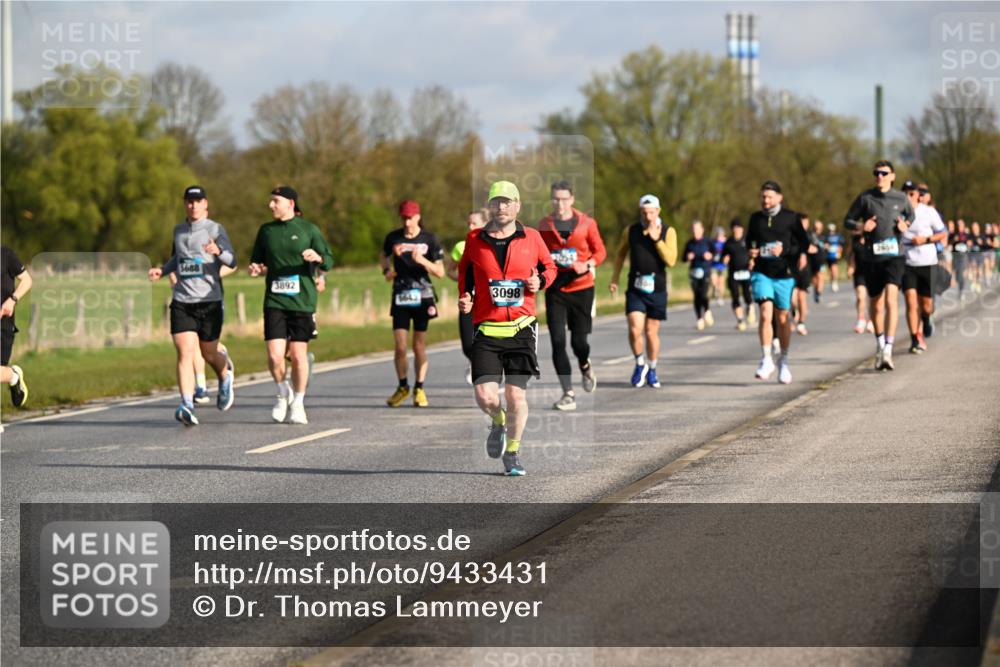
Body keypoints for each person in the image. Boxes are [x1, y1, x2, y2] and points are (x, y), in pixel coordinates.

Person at [457, 181, 556, 476]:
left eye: (507, 202)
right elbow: (465, 272)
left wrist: (541, 281)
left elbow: (549, 267)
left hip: (522, 327)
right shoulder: (475, 239)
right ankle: (498, 421)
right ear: (490, 206)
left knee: (516, 396)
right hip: (487, 327)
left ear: (517, 206)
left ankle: (512, 453)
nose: (501, 207)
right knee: (485, 396)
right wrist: (466, 297)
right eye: (496, 202)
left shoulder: (533, 238)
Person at [148, 185, 237, 426]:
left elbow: (233, 259)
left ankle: (224, 374)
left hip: (209, 302)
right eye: (189, 201)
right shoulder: (178, 231)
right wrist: (163, 270)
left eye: (198, 201)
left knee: (208, 352)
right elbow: (178, 258)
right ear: (185, 204)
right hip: (183, 301)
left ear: (206, 204)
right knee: (185, 353)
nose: (193, 205)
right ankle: (186, 404)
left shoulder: (216, 229)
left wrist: (217, 250)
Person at [248, 186, 334, 425]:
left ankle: (298, 401)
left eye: (275, 201)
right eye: (271, 201)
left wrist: (318, 258)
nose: (271, 205)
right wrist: (256, 268)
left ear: (290, 204)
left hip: (302, 301)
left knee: (297, 355)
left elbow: (329, 259)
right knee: (275, 356)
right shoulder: (266, 231)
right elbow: (258, 261)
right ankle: (282, 392)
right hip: (275, 300)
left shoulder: (308, 230)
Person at [537, 180, 606, 411]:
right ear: (551, 199)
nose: (560, 203)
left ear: (572, 199)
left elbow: (600, 251)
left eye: (564, 199)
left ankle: (585, 365)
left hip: (582, 288)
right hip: (556, 290)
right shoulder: (545, 224)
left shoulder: (587, 223)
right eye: (556, 198)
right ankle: (568, 393)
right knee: (557, 342)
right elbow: (540, 254)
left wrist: (587, 265)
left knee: (579, 343)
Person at [844, 160, 914, 371]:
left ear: (892, 176)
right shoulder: (866, 198)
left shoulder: (901, 198)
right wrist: (861, 226)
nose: (880, 176)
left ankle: (888, 350)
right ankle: (880, 342)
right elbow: (847, 220)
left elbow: (911, 214)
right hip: (872, 257)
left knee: (892, 299)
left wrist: (905, 225)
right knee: (876, 304)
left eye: (884, 173)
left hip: (895, 256)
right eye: (877, 173)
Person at [609, 194, 678, 388]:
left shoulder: (668, 231)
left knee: (650, 332)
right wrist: (615, 279)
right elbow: (621, 253)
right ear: (640, 212)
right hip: (636, 286)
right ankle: (640, 363)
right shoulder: (631, 230)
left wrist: (657, 240)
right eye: (644, 212)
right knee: (634, 327)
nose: (648, 217)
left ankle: (653, 369)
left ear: (658, 211)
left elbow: (671, 260)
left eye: (651, 212)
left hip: (657, 287)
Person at [381, 200, 445, 408]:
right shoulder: (393, 238)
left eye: (410, 218)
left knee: (418, 346)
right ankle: (402, 387)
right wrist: (387, 271)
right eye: (404, 218)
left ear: (418, 217)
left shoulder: (430, 239)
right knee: (400, 346)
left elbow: (441, 272)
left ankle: (419, 388)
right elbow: (383, 255)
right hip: (400, 295)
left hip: (423, 296)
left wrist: (422, 261)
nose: (407, 222)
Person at [747, 180, 808, 384]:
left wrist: (786, 251)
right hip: (762, 272)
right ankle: (766, 358)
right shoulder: (755, 219)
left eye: (770, 196)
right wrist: (752, 251)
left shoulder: (791, 218)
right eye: (763, 196)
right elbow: (750, 241)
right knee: (765, 313)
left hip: (784, 273)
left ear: (779, 198)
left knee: (782, 318)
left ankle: (783, 360)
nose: (766, 200)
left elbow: (803, 243)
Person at [900, 180, 947, 354]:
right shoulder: (898, 213)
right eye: (905, 193)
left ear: (918, 196)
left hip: (927, 261)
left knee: (926, 305)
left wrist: (925, 239)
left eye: (911, 193)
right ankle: (915, 338)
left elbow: (943, 233)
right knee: (911, 303)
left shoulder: (928, 212)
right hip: (907, 263)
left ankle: (926, 319)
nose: (908, 197)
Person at [446, 209, 488, 385]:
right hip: (468, 302)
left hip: (488, 302)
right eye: (469, 223)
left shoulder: (492, 244)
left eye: (474, 223)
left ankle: (489, 368)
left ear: (485, 225)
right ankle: (476, 362)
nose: (470, 226)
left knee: (489, 340)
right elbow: (450, 270)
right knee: (467, 345)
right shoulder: (460, 246)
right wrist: (463, 281)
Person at [1, 246, 31, 412]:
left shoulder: (6, 255)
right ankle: (13, 376)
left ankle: (13, 376)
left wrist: (12, 300)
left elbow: (27, 281)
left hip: (3, 323)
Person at [721, 218, 753, 331]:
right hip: (733, 273)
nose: (736, 230)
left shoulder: (747, 240)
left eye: (738, 227)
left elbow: (753, 254)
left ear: (742, 229)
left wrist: (752, 261)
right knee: (735, 297)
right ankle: (740, 320)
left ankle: (750, 307)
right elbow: (723, 256)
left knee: (747, 295)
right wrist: (724, 259)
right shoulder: (728, 242)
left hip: (746, 272)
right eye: (734, 228)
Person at [683, 220, 715, 330]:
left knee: (703, 294)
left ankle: (706, 310)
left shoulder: (708, 242)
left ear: (702, 230)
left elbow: (716, 254)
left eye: (697, 229)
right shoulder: (689, 243)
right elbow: (683, 258)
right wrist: (688, 257)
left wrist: (710, 256)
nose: (695, 231)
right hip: (694, 272)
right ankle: (699, 319)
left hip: (705, 271)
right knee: (696, 296)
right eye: (693, 229)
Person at [950, 219, 971, 300]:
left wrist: (969, 244)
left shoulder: (967, 234)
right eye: (958, 225)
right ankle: (959, 288)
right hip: (955, 255)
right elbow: (949, 242)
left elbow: (970, 243)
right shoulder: (953, 234)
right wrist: (953, 240)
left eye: (961, 225)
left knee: (961, 273)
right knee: (957, 274)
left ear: (963, 225)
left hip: (963, 256)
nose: (959, 226)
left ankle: (961, 291)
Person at [809, 219, 827, 302]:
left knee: (820, 276)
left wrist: (827, 247)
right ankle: (816, 290)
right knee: (814, 277)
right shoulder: (810, 236)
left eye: (819, 228)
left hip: (821, 260)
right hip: (812, 259)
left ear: (821, 228)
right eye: (816, 227)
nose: (817, 229)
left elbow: (828, 246)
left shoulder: (824, 237)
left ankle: (818, 293)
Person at [710, 226, 728, 306]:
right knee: (713, 280)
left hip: (723, 266)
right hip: (714, 265)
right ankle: (714, 289)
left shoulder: (726, 243)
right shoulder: (712, 242)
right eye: (717, 235)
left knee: (721, 282)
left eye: (720, 235)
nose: (719, 236)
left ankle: (720, 298)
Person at [824, 223, 844, 292]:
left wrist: (839, 252)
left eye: (832, 230)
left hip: (835, 255)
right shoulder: (826, 236)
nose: (831, 231)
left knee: (834, 268)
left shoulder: (838, 236)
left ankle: (835, 281)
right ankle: (832, 281)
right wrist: (826, 247)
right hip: (828, 256)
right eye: (830, 230)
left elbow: (841, 245)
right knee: (830, 270)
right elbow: (824, 245)